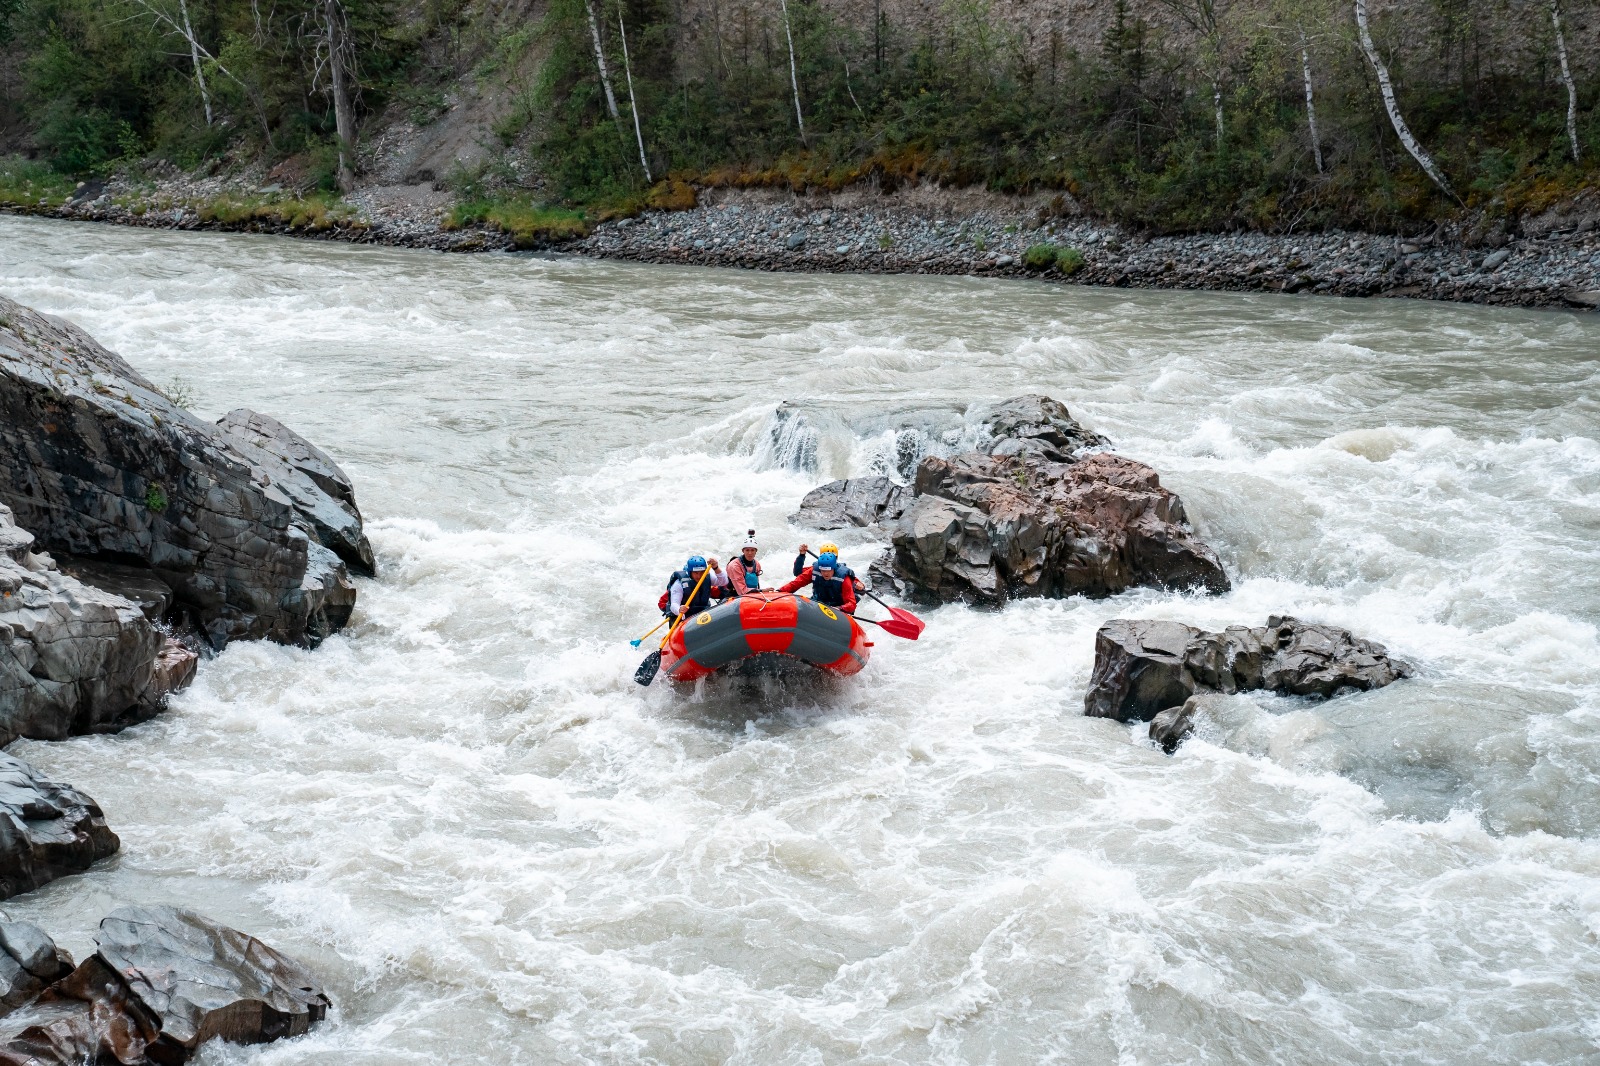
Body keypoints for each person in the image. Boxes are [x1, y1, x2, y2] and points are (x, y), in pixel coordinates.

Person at [780, 549, 857, 614]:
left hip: (837, 607)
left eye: (828, 570)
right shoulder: (814, 570)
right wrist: (780, 591)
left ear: (833, 568)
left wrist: (839, 608)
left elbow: (851, 604)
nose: (825, 573)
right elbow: (796, 583)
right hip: (818, 603)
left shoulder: (844, 578)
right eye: (823, 570)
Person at [663, 555, 730, 621]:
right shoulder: (679, 584)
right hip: (683, 616)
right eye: (696, 573)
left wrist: (716, 568)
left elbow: (723, 582)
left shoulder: (707, 576)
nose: (699, 576)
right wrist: (679, 609)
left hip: (701, 612)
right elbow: (674, 604)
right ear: (690, 572)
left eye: (702, 572)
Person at [795, 542, 865, 595]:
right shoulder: (816, 569)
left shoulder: (842, 572)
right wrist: (801, 555)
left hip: (837, 605)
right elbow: (798, 573)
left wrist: (860, 586)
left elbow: (858, 586)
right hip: (820, 601)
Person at [727, 530, 764, 596]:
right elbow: (741, 592)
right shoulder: (734, 565)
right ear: (743, 551)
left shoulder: (757, 564)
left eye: (752, 550)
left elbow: (757, 585)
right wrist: (761, 590)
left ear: (756, 551)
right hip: (735, 595)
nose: (750, 553)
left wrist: (760, 592)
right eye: (747, 550)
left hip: (752, 595)